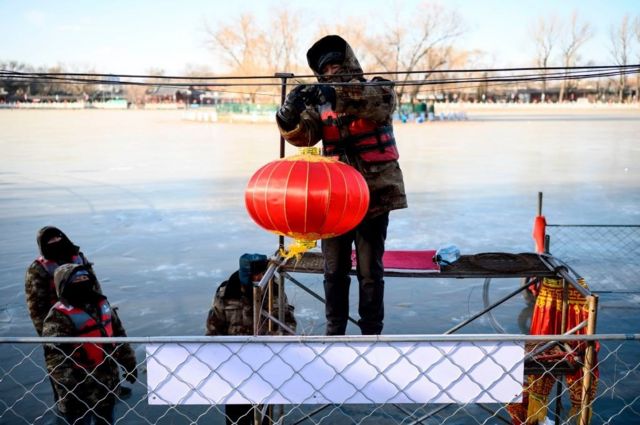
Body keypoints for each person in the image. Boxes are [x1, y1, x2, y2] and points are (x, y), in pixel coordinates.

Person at [275, 35, 407, 336]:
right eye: (326, 69)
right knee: (333, 271)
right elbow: (304, 135)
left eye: (337, 64)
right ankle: (334, 333)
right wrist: (288, 116)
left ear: (348, 62)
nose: (332, 71)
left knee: (369, 271)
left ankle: (371, 332)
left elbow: (379, 103)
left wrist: (334, 93)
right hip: (335, 201)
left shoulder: (379, 87)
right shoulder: (319, 102)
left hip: (375, 197)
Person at [206, 253, 297, 425]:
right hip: (234, 367)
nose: (260, 278)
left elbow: (289, 326)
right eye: (256, 275)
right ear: (246, 274)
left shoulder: (274, 291)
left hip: (264, 364)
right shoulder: (226, 293)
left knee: (264, 415)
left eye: (262, 274)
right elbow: (213, 330)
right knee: (236, 417)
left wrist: (271, 341)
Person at [42, 263, 138, 425]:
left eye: (85, 278)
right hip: (78, 392)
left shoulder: (102, 305)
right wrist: (73, 390)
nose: (82, 282)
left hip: (106, 384)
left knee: (107, 421)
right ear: (64, 285)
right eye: (76, 280)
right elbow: (56, 361)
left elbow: (119, 336)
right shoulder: (57, 317)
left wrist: (129, 364)